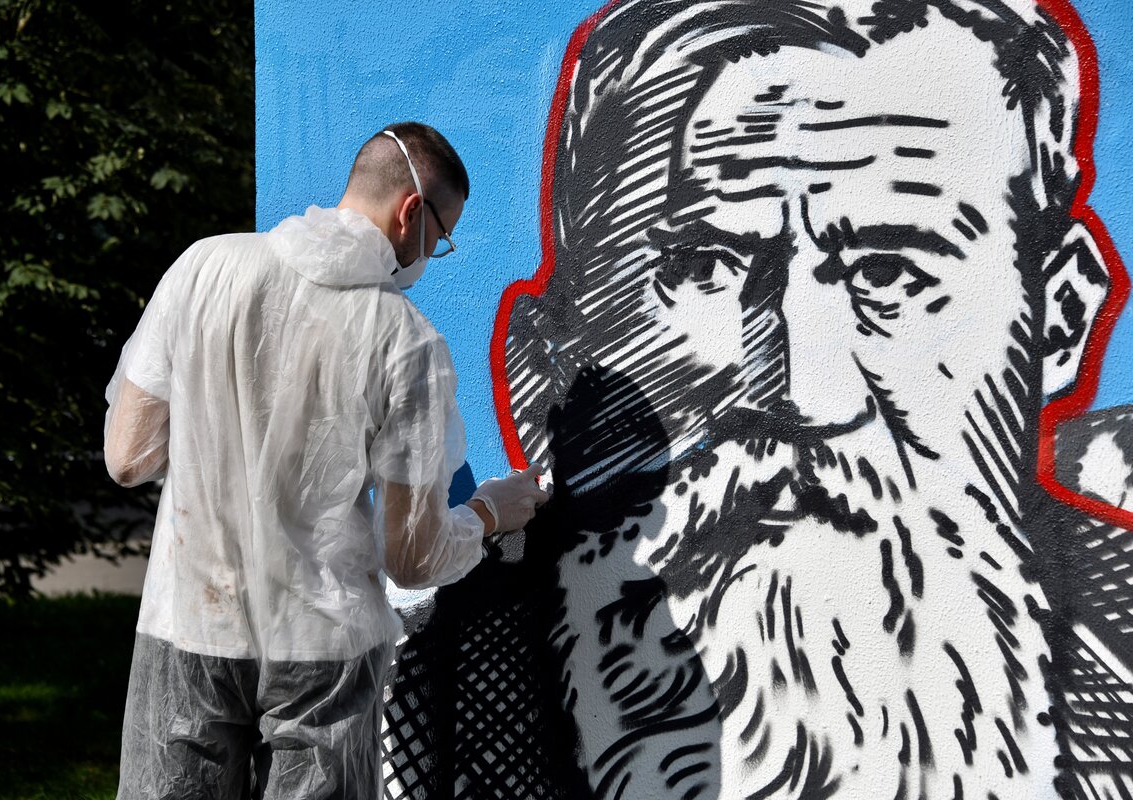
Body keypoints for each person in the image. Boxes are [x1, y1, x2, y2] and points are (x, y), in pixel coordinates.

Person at [492, 0, 1132, 798]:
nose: (801, 391)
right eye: (703, 268)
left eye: (889, 273)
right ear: (548, 370)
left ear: (1058, 321)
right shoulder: (419, 715)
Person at [104, 120, 548, 799]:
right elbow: (414, 557)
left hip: (189, 620)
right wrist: (490, 509)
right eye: (440, 237)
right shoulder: (405, 341)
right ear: (410, 212)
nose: (432, 254)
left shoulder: (203, 268)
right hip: (322, 650)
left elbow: (128, 457)